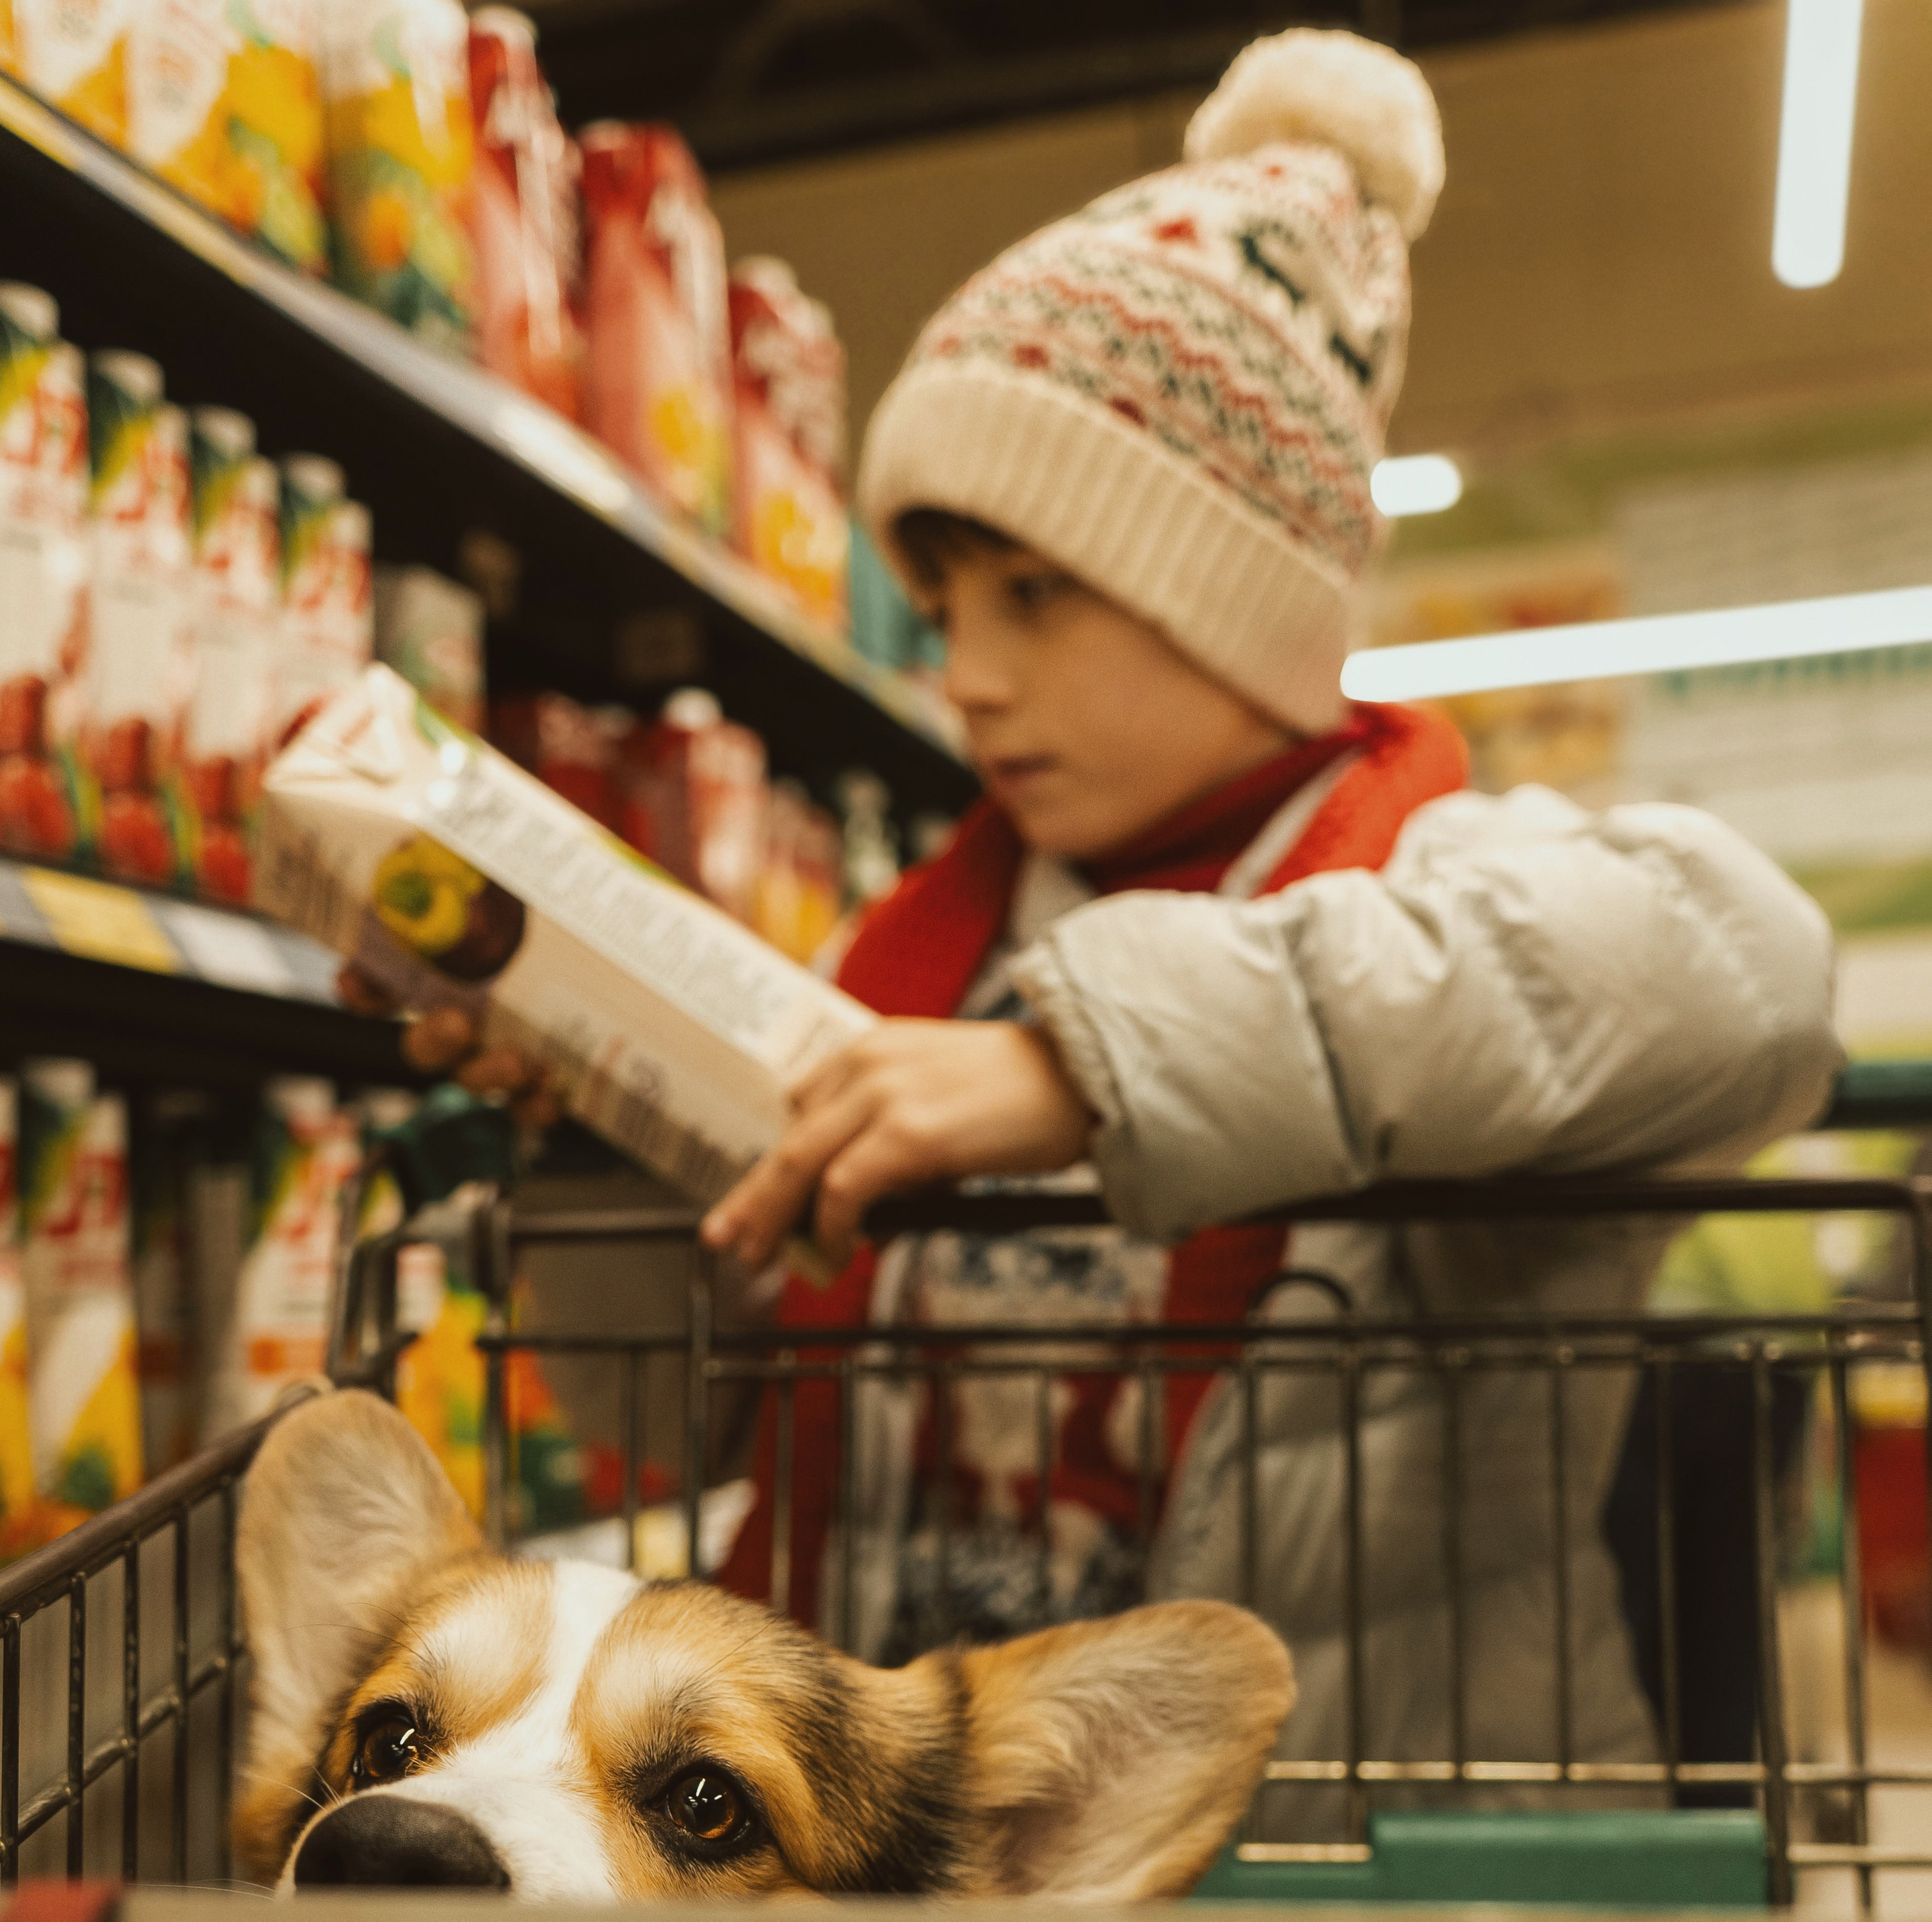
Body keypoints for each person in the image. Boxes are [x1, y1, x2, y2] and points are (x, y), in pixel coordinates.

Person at [387, 29, 1841, 1836]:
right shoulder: (907, 948)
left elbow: (1753, 974)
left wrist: (1074, 1065)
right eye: (936, 601)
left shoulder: (1430, 868)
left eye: (1034, 592)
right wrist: (598, 1137)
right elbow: (685, 1428)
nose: (967, 675)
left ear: (1226, 585)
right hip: (914, 1836)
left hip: (1337, 1849)